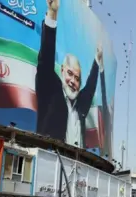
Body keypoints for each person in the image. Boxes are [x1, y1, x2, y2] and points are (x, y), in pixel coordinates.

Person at [36, 0, 106, 148]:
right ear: (62, 70)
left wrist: (97, 59)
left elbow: (90, 87)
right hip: (50, 159)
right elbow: (46, 60)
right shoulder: (51, 90)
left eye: (77, 78)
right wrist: (52, 14)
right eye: (70, 73)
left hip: (76, 162)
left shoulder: (80, 105)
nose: (73, 81)